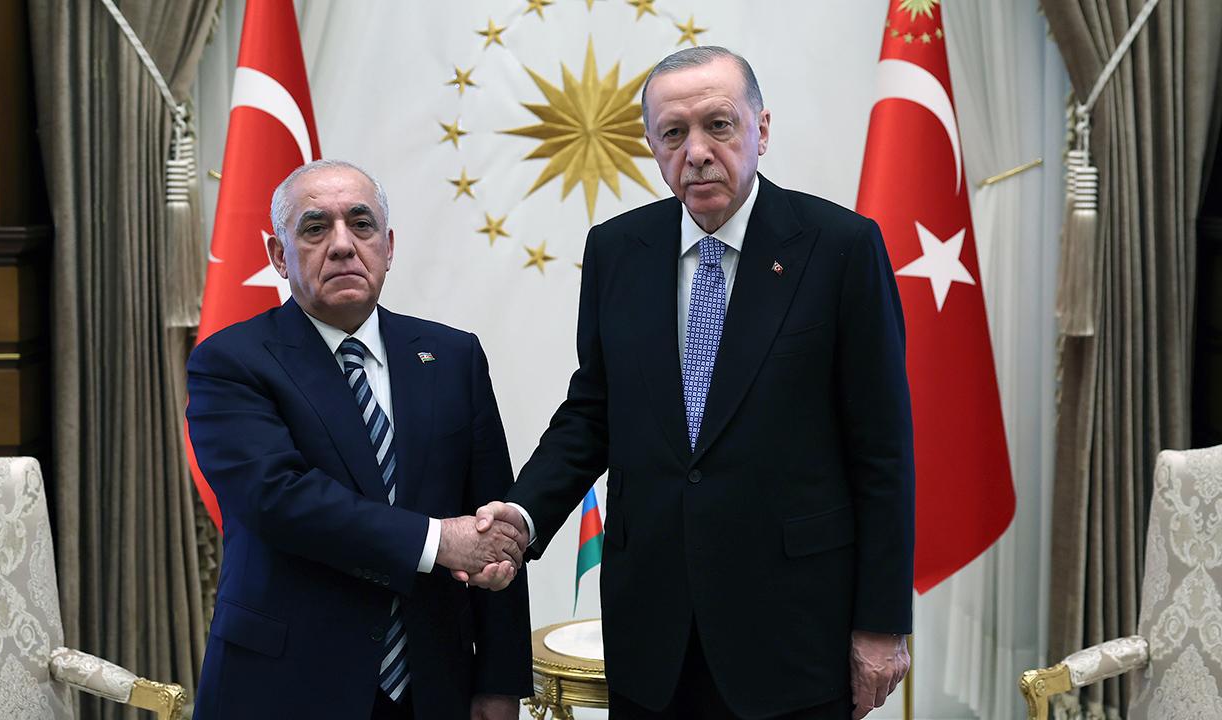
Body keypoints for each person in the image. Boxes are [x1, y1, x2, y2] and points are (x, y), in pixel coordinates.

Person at [467, 47, 915, 719]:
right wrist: (522, 516)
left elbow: (882, 450)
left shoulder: (840, 247)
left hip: (794, 632)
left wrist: (881, 623)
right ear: (652, 144)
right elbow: (593, 413)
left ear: (762, 129)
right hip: (653, 635)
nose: (697, 152)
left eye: (719, 125)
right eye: (674, 133)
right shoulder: (618, 250)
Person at [186, 159, 530, 719]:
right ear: (278, 255)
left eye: (361, 224)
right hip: (287, 684)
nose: (343, 245)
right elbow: (279, 499)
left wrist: (499, 681)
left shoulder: (453, 357)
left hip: (433, 685)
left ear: (387, 247)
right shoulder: (229, 362)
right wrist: (437, 541)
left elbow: (492, 518)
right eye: (315, 228)